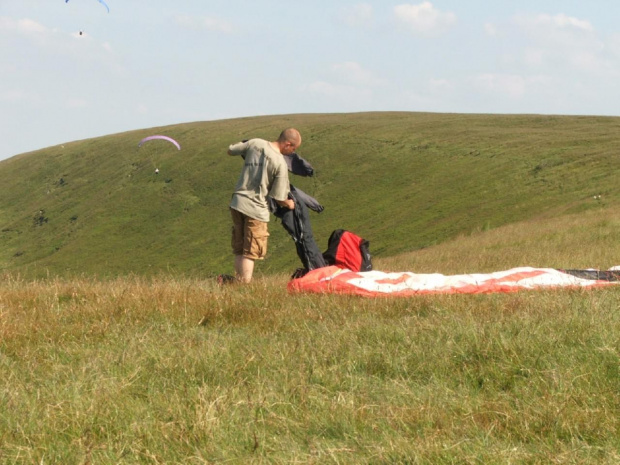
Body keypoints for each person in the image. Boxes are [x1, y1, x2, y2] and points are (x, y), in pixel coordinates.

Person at [221, 128, 301, 283]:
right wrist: (290, 204)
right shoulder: (280, 163)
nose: (292, 152)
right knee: (250, 252)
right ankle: (244, 286)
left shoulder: (256, 143)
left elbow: (231, 150)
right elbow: (278, 197)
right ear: (287, 144)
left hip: (237, 203)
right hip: (256, 209)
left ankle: (236, 282)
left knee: (239, 248)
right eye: (293, 148)